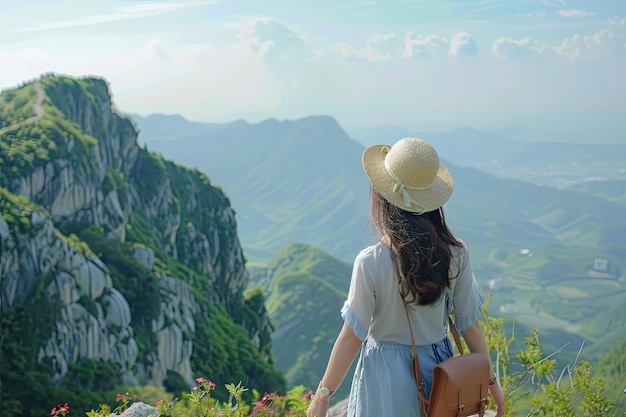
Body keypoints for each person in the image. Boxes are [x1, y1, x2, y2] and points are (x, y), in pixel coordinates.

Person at [306, 138, 505, 417]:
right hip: (441, 377)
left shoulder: (372, 261)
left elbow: (352, 335)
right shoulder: (457, 254)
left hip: (383, 378)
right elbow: (469, 325)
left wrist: (323, 396)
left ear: (384, 196)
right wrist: (490, 380)